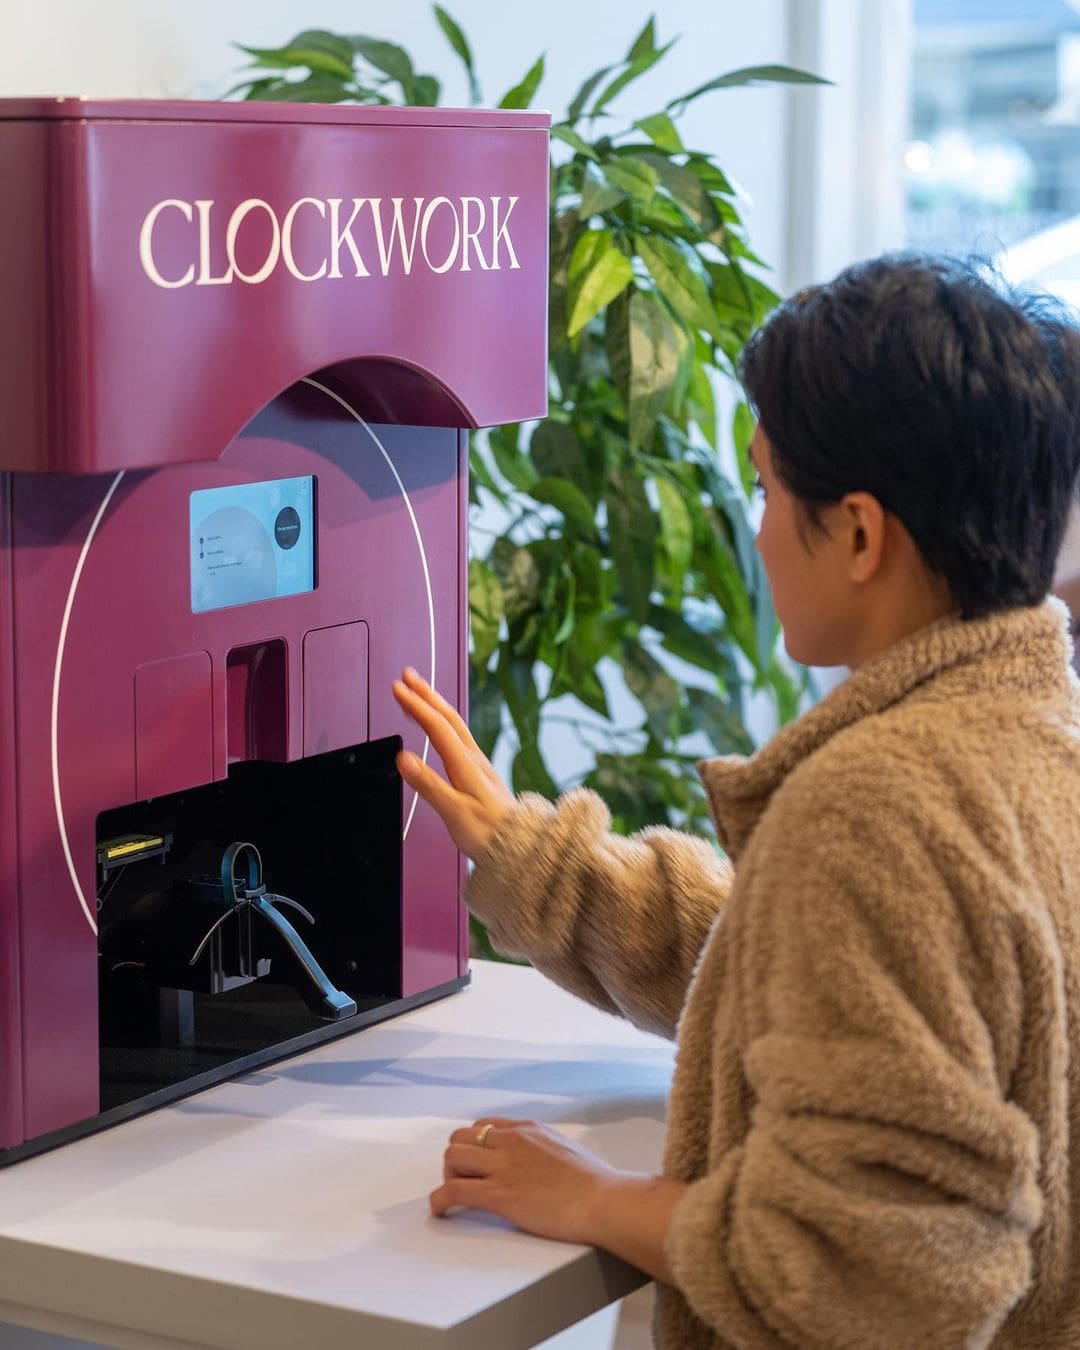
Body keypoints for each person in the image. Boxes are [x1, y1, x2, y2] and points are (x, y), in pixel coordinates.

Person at [392, 253, 1080, 1348]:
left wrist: (591, 1198)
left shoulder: (883, 805)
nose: (754, 530)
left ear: (859, 534)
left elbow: (874, 1272)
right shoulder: (1037, 738)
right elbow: (835, 977)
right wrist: (547, 866)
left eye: (765, 490)